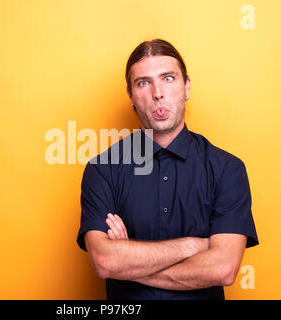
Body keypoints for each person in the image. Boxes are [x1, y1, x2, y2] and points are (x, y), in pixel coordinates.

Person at [76, 38, 259, 300]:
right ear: (131, 96)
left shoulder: (227, 169)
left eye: (168, 78)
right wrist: (191, 246)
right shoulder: (102, 170)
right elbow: (105, 261)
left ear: (187, 87)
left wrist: (128, 260)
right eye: (144, 82)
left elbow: (223, 269)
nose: (157, 93)